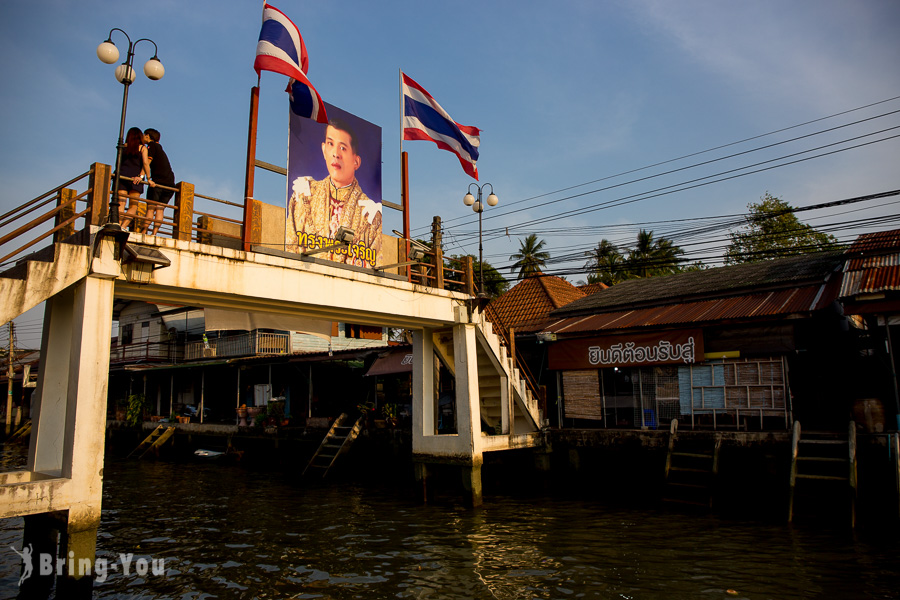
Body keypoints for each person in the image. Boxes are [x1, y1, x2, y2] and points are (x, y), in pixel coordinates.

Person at [285, 118, 382, 268]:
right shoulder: (303, 195)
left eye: (343, 148)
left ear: (356, 161)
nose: (336, 154)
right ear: (324, 149)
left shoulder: (370, 215)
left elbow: (374, 268)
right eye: (331, 144)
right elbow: (289, 250)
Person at [142, 128, 176, 235]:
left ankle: (144, 231)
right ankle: (154, 233)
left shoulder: (151, 146)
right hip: (170, 182)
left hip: (158, 181)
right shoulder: (160, 149)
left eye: (144, 135)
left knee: (151, 208)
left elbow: (147, 162)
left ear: (147, 136)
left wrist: (143, 176)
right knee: (160, 209)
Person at [117, 127, 151, 232]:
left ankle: (117, 224)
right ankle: (123, 226)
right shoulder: (142, 148)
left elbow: (118, 163)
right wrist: (147, 178)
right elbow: (145, 164)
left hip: (122, 176)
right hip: (136, 179)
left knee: (121, 203)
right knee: (133, 205)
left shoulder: (122, 147)